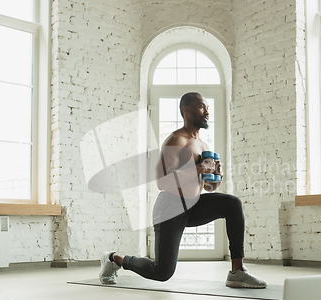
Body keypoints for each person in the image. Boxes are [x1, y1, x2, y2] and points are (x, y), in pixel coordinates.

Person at [99, 92, 267, 288]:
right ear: (186, 109)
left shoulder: (202, 145)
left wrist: (217, 176)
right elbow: (162, 182)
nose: (207, 111)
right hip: (170, 208)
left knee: (232, 204)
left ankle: (237, 271)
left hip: (193, 205)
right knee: (161, 272)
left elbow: (209, 187)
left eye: (207, 108)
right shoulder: (175, 140)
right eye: (202, 107)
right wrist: (198, 168)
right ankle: (113, 258)